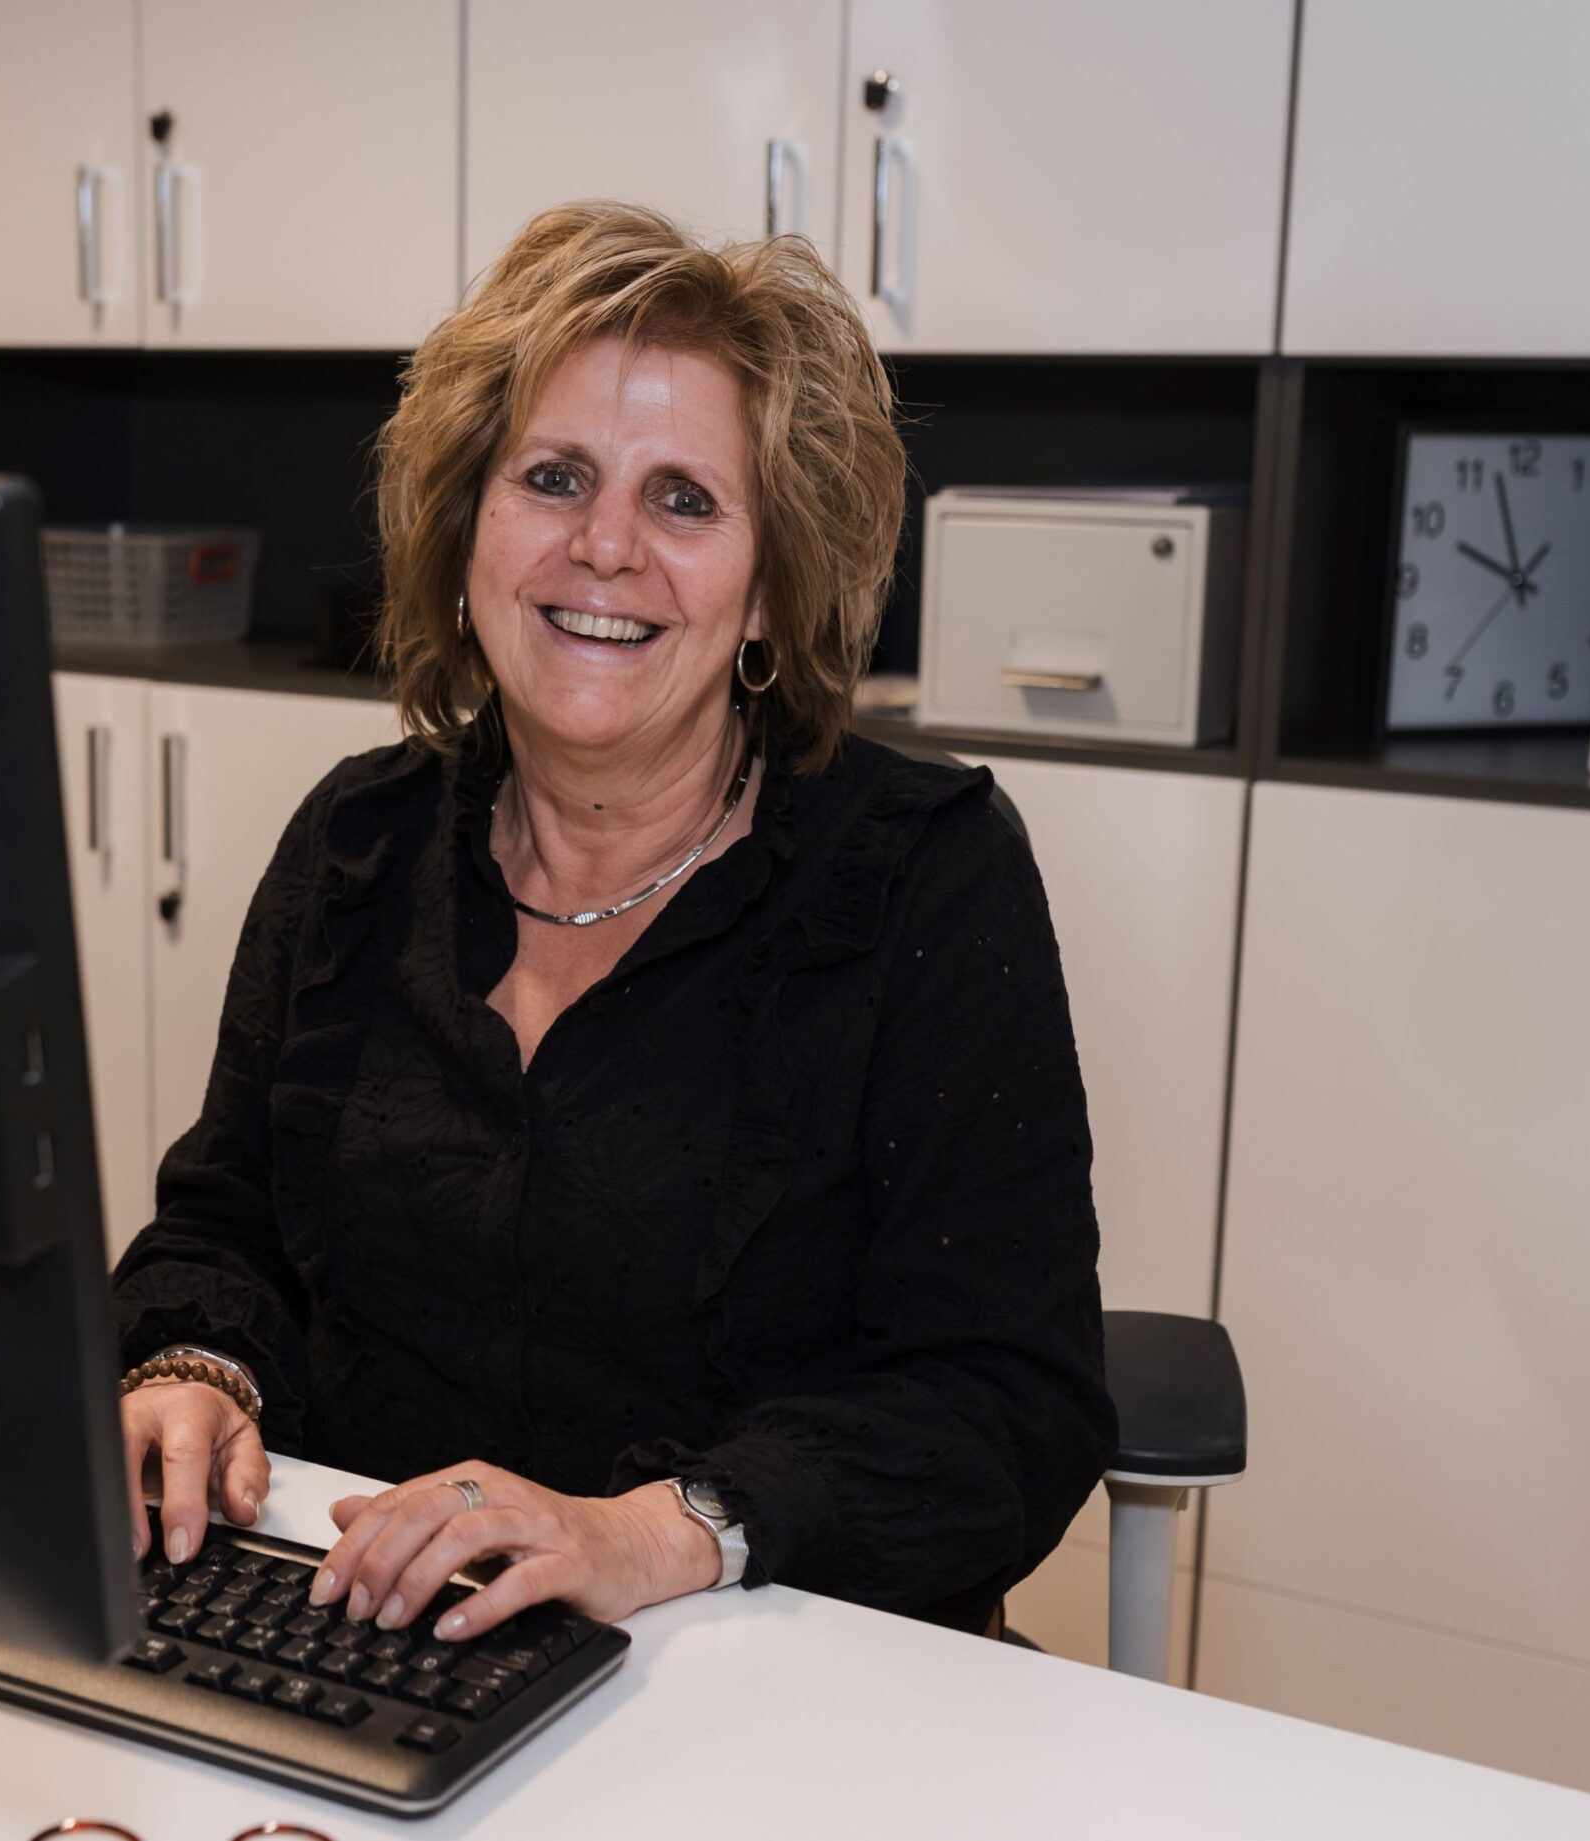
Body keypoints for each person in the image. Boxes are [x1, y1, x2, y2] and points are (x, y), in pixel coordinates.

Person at [112, 201, 1114, 1642]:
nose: (603, 546)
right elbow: (226, 1226)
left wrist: (652, 1531)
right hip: (373, 1636)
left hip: (776, 1667)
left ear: (769, 593)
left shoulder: (924, 881)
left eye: (684, 500)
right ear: (468, 534)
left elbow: (1009, 1402)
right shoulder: (356, 845)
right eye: (555, 478)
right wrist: (193, 1371)